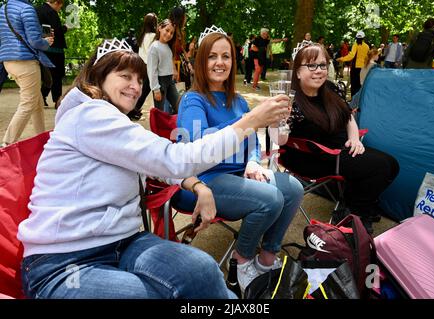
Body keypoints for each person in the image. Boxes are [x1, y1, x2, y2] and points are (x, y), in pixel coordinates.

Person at [16, 38, 290, 299]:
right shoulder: (89, 116)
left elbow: (162, 166)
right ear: (98, 75)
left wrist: (197, 185)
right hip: (64, 263)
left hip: (125, 243)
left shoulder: (116, 123)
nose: (135, 86)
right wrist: (249, 122)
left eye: (139, 80)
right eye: (125, 76)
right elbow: (177, 157)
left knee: (202, 271)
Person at [172, 31, 304, 294]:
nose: (219, 62)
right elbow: (195, 148)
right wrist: (250, 120)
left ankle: (267, 256)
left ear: (234, 61)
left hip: (237, 174)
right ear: (200, 61)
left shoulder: (239, 100)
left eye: (226, 56)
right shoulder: (193, 99)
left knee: (293, 189)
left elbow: (253, 141)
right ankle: (241, 260)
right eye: (212, 56)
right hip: (201, 182)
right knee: (271, 198)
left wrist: (253, 162)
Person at [279, 43, 399, 234]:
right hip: (314, 156)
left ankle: (352, 205)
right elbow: (280, 141)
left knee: (392, 164)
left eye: (322, 65)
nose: (319, 71)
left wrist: (355, 139)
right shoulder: (291, 100)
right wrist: (281, 122)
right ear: (298, 72)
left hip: (341, 149)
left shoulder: (330, 89)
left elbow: (348, 116)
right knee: (380, 167)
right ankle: (355, 214)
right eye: (311, 66)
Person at [0, 0, 54, 147]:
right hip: (25, 62)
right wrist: (47, 42)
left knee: (36, 101)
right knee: (28, 103)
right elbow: (35, 41)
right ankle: (7, 143)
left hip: (8, 61)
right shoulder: (26, 9)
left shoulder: (3, 9)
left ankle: (41, 137)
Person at [36, 0, 68, 109]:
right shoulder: (51, 12)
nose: (59, 9)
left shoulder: (37, 10)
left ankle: (41, 97)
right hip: (54, 48)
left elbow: (45, 29)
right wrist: (66, 27)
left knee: (47, 76)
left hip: (42, 47)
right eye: (60, 6)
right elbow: (56, 30)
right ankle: (57, 100)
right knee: (57, 75)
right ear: (56, 3)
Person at [128, 12, 158, 121]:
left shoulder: (142, 36)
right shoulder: (154, 37)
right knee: (145, 91)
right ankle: (133, 110)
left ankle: (133, 110)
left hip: (141, 66)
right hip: (150, 66)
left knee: (142, 91)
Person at [148, 19, 179, 114]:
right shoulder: (154, 47)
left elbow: (169, 61)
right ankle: (158, 129)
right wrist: (156, 89)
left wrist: (173, 72)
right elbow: (151, 69)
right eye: (167, 30)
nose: (169, 34)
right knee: (160, 111)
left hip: (170, 81)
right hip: (160, 82)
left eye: (172, 33)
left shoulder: (167, 46)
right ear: (160, 28)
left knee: (178, 105)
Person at [337, 31, 370, 98]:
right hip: (363, 68)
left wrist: (341, 59)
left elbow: (351, 56)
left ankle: (353, 101)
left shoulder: (355, 44)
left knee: (354, 85)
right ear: (363, 38)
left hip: (355, 68)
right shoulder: (367, 46)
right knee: (361, 85)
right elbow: (367, 57)